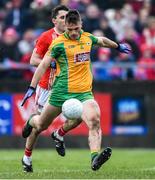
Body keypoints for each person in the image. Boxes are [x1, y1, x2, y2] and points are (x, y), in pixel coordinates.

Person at [21, 9, 130, 172]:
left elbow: (102, 41)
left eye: (76, 29)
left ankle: (94, 158)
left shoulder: (87, 38)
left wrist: (117, 46)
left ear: (81, 25)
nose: (73, 33)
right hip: (60, 92)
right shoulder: (58, 44)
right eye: (70, 29)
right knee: (41, 124)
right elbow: (43, 64)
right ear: (65, 26)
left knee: (94, 120)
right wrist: (32, 86)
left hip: (84, 93)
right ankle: (31, 121)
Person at [21, 5, 82, 173]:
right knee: (40, 126)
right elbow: (33, 60)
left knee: (80, 115)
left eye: (67, 17)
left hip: (69, 86)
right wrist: (52, 62)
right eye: (62, 17)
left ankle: (59, 134)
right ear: (54, 20)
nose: (65, 20)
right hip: (48, 87)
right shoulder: (46, 37)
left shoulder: (75, 35)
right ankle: (27, 157)